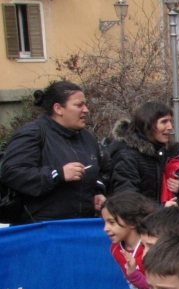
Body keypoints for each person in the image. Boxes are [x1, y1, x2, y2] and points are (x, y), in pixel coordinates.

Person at [0, 81, 108, 225]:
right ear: (58, 108)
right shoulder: (33, 134)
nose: (85, 110)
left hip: (82, 227)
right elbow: (12, 173)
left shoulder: (87, 137)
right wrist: (57, 174)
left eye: (85, 105)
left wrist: (97, 192)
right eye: (78, 105)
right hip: (41, 229)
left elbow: (101, 170)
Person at [108, 101, 179, 202]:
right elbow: (127, 199)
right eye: (164, 122)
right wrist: (161, 209)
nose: (170, 127)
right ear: (148, 124)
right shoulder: (126, 155)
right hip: (143, 216)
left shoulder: (167, 152)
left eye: (170, 121)